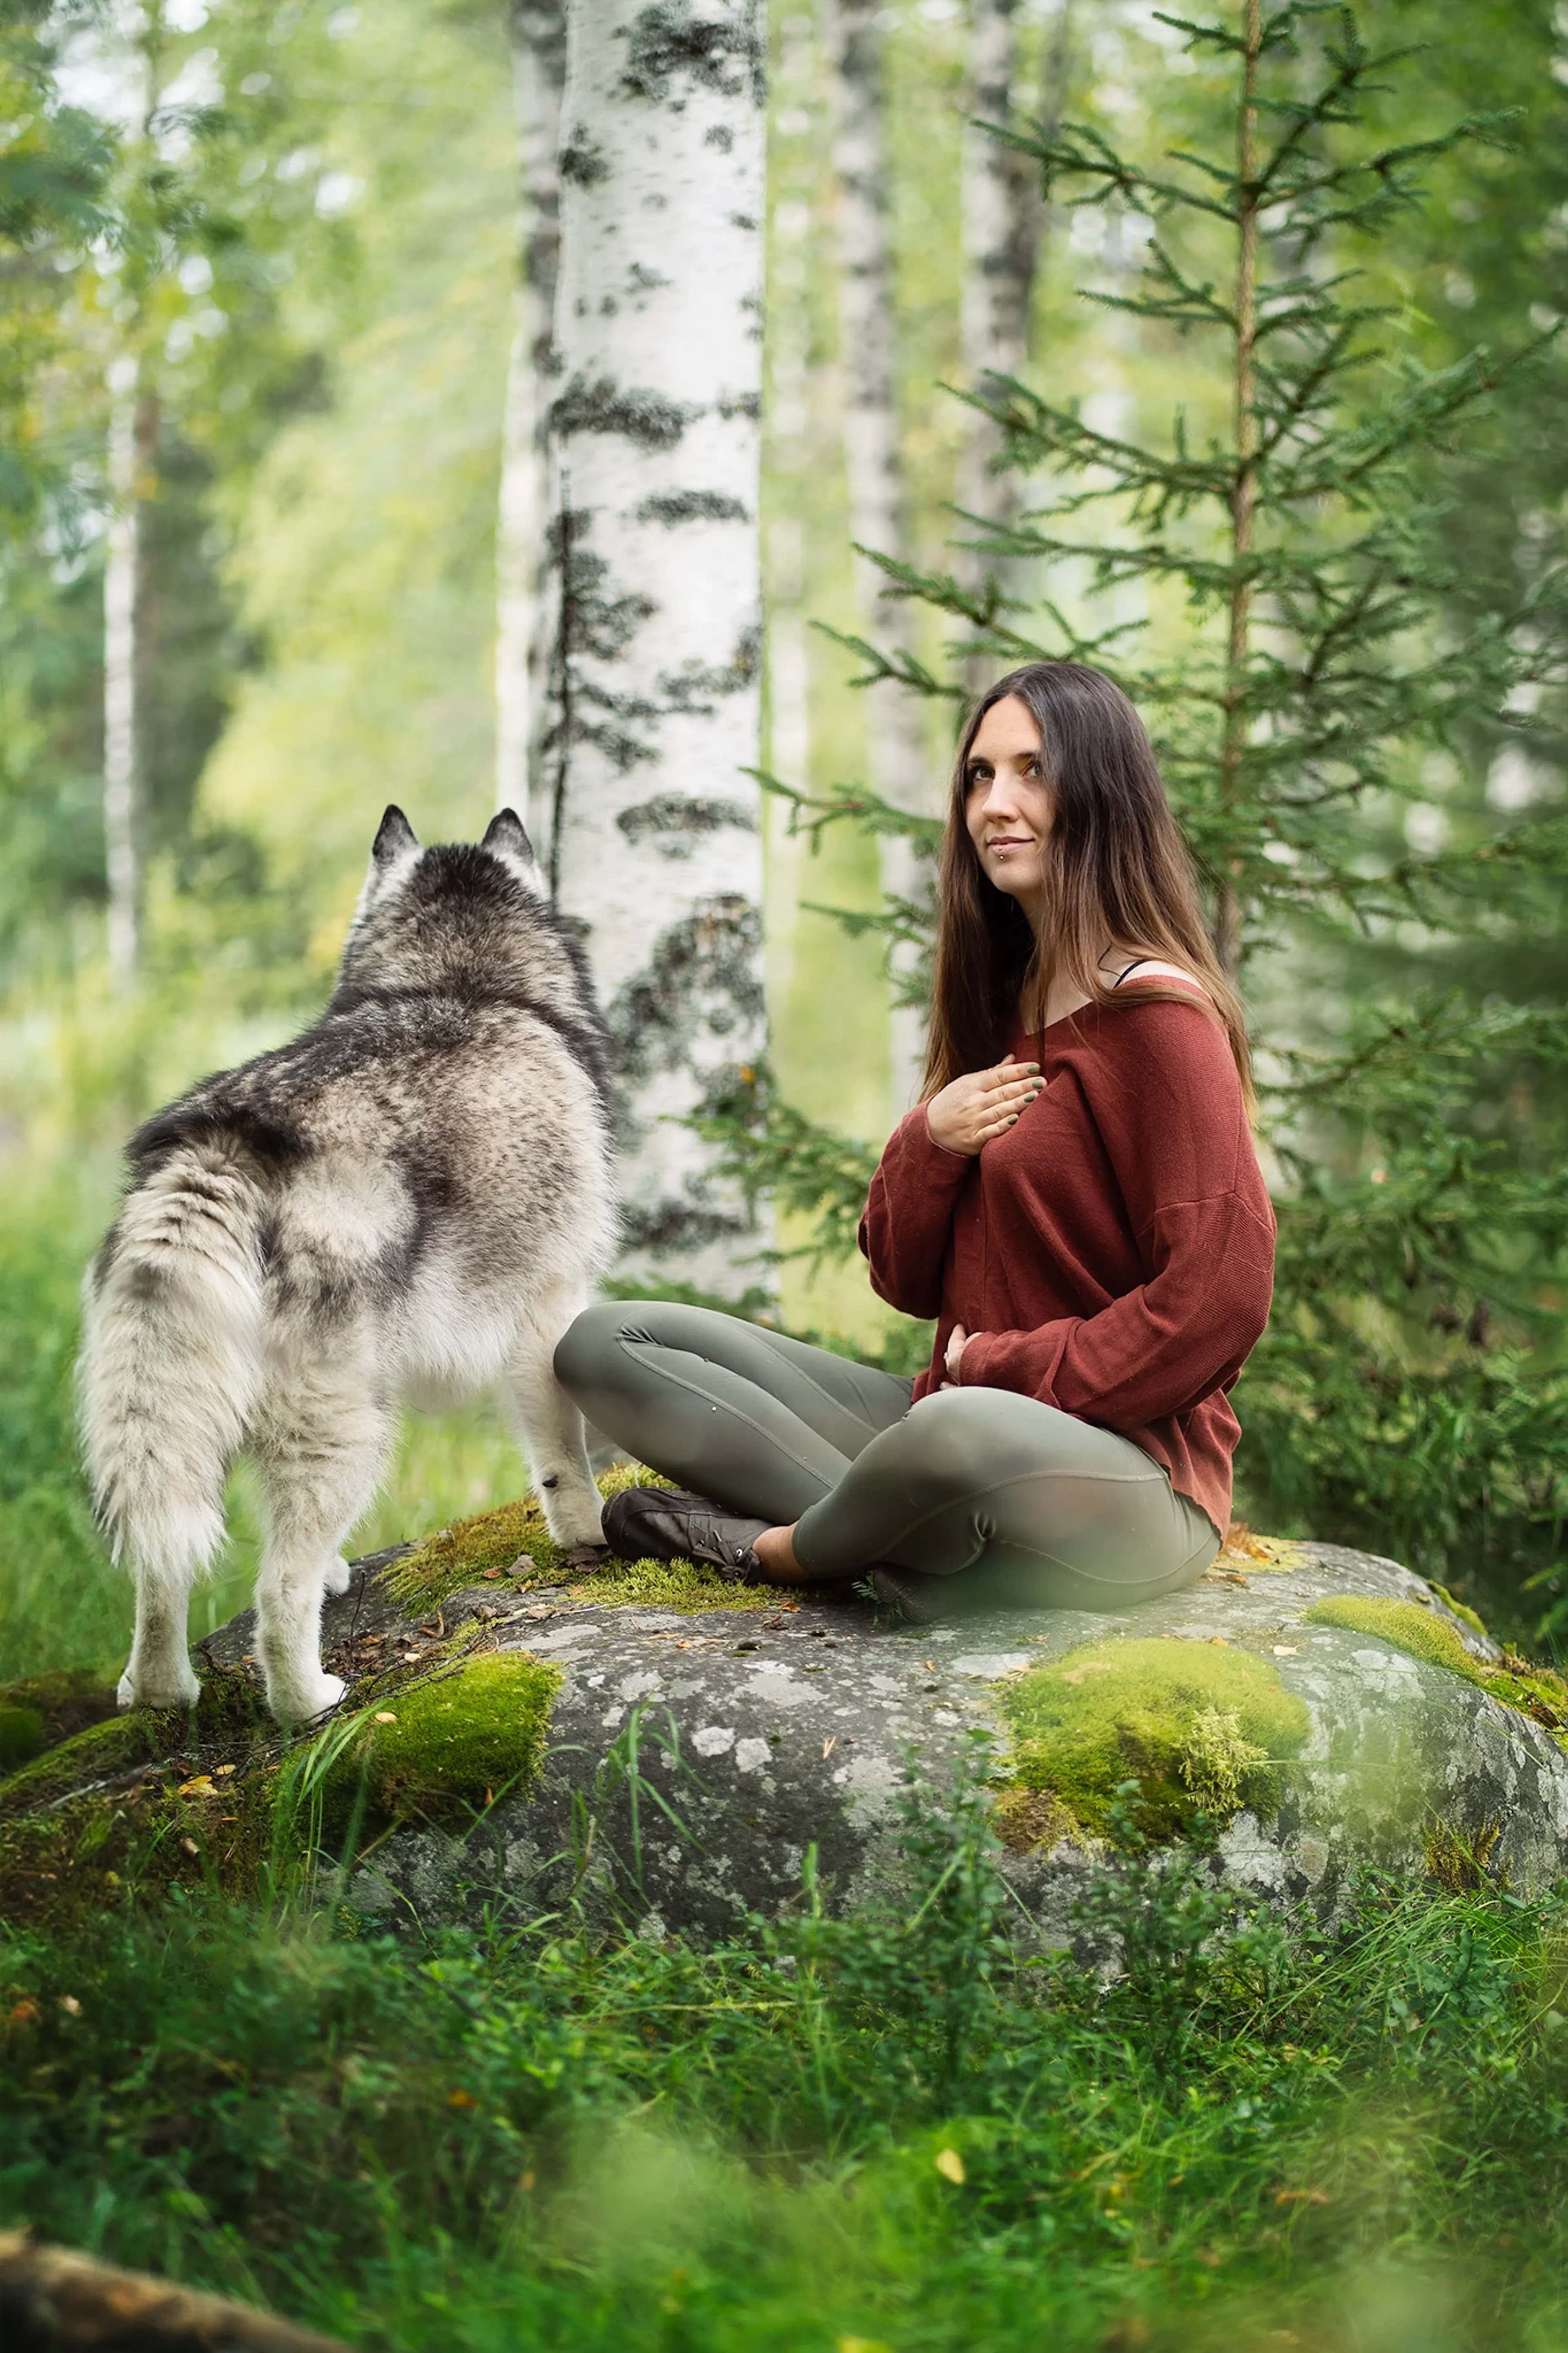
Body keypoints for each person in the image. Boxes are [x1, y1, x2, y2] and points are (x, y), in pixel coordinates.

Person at [555, 660, 1276, 1621]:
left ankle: (783, 1551)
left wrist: (1005, 1371)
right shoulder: (1005, 1003)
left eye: (1032, 771)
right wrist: (929, 1142)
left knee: (954, 1436)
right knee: (607, 1343)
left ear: (1099, 792)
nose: (996, 804)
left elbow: (1220, 1300)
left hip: (1123, 1478)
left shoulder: (1158, 1018)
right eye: (979, 776)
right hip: (944, 1416)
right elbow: (905, 1277)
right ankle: (910, 1545)